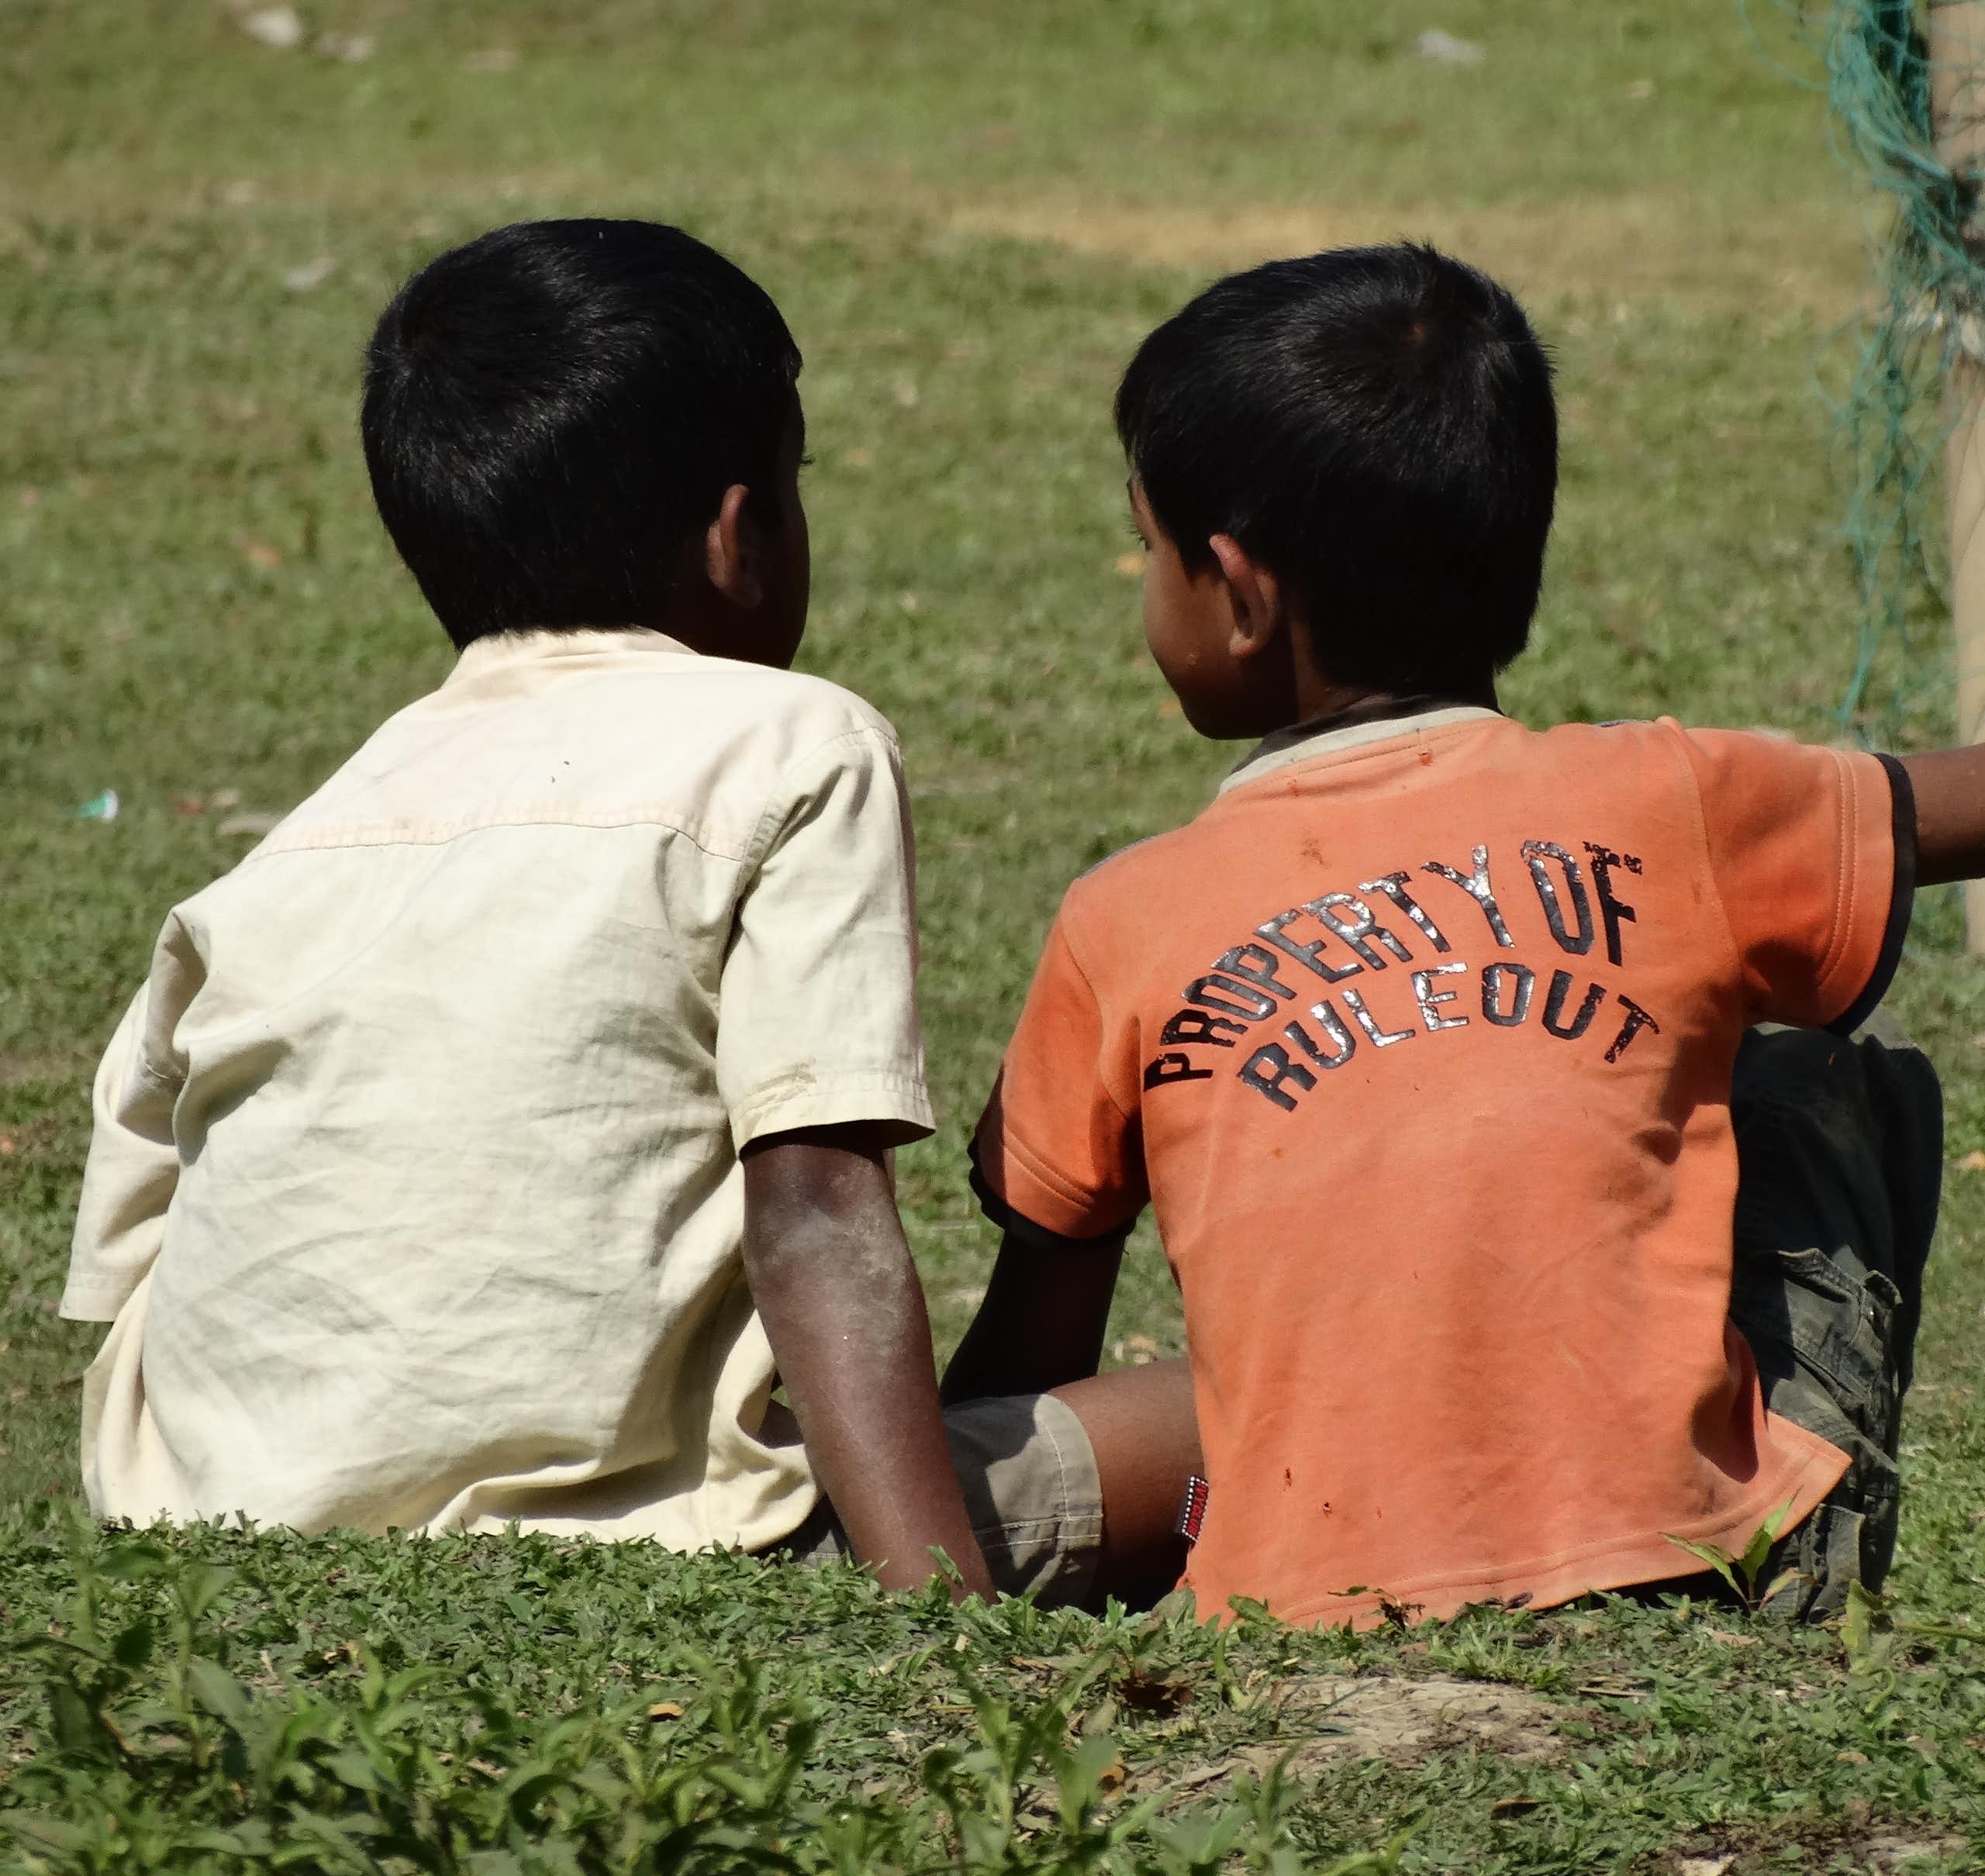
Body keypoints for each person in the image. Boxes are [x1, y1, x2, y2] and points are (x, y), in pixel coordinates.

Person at [61, 219, 1198, 1607]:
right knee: (1255, 1401)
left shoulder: (297, 843)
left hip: (215, 1545)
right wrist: (940, 1626)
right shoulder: (791, 741)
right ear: (739, 532)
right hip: (676, 1549)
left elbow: (133, 1261)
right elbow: (818, 1209)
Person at [946, 241, 1955, 1630]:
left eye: (1146, 545)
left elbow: (1029, 1355)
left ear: (1239, 595)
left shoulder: (1122, 917)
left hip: (1292, 1603)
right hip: (1688, 1565)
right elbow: (1946, 807)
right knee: (1826, 1074)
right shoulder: (1666, 800)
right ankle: (1778, 1525)